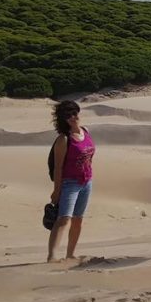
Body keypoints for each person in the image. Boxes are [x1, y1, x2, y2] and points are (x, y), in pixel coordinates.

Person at [48, 100, 96, 262]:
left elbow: (89, 156)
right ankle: (52, 256)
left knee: (78, 219)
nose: (73, 117)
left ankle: (70, 254)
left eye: (75, 113)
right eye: (68, 115)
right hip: (70, 183)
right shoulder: (64, 139)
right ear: (63, 119)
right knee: (63, 218)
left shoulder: (86, 131)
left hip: (86, 182)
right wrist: (57, 190)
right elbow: (58, 168)